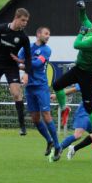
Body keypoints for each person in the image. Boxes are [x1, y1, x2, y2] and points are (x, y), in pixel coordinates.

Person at [51, 0, 92, 149]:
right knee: (56, 85)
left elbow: (76, 45)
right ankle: (65, 109)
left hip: (89, 75)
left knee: (89, 106)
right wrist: (82, 8)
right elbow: (84, 19)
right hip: (78, 69)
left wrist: (80, 33)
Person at [15, 27, 61, 161]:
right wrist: (23, 67)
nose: (48, 36)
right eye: (46, 33)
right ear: (38, 34)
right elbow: (18, 60)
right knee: (35, 118)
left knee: (46, 115)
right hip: (29, 87)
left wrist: (23, 66)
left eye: (49, 34)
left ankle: (57, 146)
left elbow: (36, 64)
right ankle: (49, 141)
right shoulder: (27, 47)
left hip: (41, 86)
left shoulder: (46, 50)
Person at [56, 66, 92, 163]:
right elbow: (73, 89)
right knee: (77, 135)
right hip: (83, 113)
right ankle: (58, 148)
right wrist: (57, 94)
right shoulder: (88, 82)